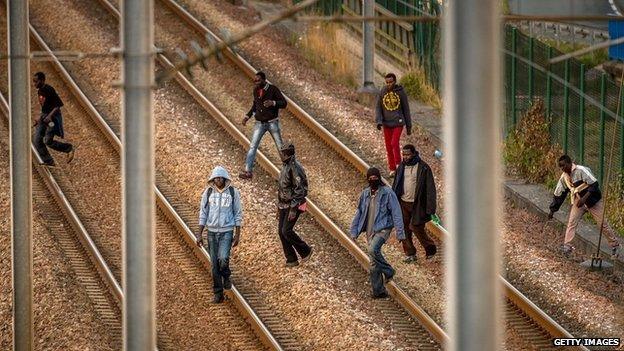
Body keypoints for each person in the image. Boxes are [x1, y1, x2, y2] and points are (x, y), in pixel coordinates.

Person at [548, 155, 621, 258]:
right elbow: (559, 194)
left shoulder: (581, 170)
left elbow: (594, 184)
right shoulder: (564, 177)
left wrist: (584, 199)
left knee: (602, 224)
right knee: (572, 222)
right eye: (560, 167)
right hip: (579, 202)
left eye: (563, 166)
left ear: (569, 163)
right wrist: (552, 210)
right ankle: (567, 246)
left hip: (593, 201)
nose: (562, 169)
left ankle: (615, 245)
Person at [350, 167, 405, 299]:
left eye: (375, 177)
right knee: (374, 263)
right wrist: (354, 231)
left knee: (373, 250)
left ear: (379, 178)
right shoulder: (365, 194)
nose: (373, 180)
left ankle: (389, 271)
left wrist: (400, 233)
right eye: (370, 178)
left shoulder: (388, 193)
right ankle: (378, 291)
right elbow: (359, 213)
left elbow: (396, 213)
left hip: (383, 229)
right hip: (369, 231)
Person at [196, 166, 243, 303]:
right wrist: (199, 234)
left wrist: (237, 234)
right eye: (216, 178)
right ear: (213, 179)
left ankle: (226, 275)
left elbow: (238, 213)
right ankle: (218, 294)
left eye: (220, 178)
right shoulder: (208, 193)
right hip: (211, 232)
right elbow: (203, 213)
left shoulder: (233, 193)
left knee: (223, 259)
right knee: (214, 265)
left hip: (226, 232)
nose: (218, 180)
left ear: (224, 179)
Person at [391, 145, 437, 262]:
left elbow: (430, 189)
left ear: (414, 154)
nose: (405, 157)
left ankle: (430, 249)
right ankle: (410, 253)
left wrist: (430, 208)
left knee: (416, 227)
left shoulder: (423, 168)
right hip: (403, 203)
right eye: (404, 154)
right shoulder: (401, 167)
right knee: (404, 228)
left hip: (418, 204)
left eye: (408, 154)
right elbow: (396, 184)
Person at [239, 71, 286, 180]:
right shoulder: (255, 90)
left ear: (264, 80)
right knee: (252, 146)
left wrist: (273, 103)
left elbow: (284, 103)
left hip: (272, 122)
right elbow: (255, 105)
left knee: (280, 147)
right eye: (255, 80)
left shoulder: (273, 89)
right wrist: (247, 116)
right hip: (259, 123)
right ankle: (248, 171)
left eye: (258, 80)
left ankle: (289, 172)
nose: (256, 82)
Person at [277, 143, 313, 267]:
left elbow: (301, 190)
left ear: (287, 154)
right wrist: (279, 206)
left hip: (293, 204)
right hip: (283, 204)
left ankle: (305, 251)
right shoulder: (285, 166)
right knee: (281, 232)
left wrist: (293, 208)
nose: (280, 154)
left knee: (286, 230)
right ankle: (291, 259)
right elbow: (282, 188)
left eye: (282, 152)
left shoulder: (295, 168)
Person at [32, 72, 75, 167]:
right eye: (33, 82)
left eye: (36, 81)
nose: (34, 84)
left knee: (48, 141)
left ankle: (69, 148)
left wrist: (50, 116)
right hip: (44, 117)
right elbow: (45, 107)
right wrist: (39, 118)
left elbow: (58, 105)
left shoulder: (49, 89)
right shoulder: (40, 91)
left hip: (52, 120)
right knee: (37, 140)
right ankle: (48, 161)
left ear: (42, 80)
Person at [375, 73, 412, 177]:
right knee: (388, 146)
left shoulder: (401, 92)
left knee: (394, 143)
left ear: (395, 81)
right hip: (386, 123)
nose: (389, 84)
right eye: (387, 82)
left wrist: (409, 126)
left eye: (390, 82)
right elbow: (378, 107)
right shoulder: (382, 91)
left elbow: (406, 109)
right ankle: (392, 168)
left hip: (398, 122)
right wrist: (378, 121)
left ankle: (399, 165)